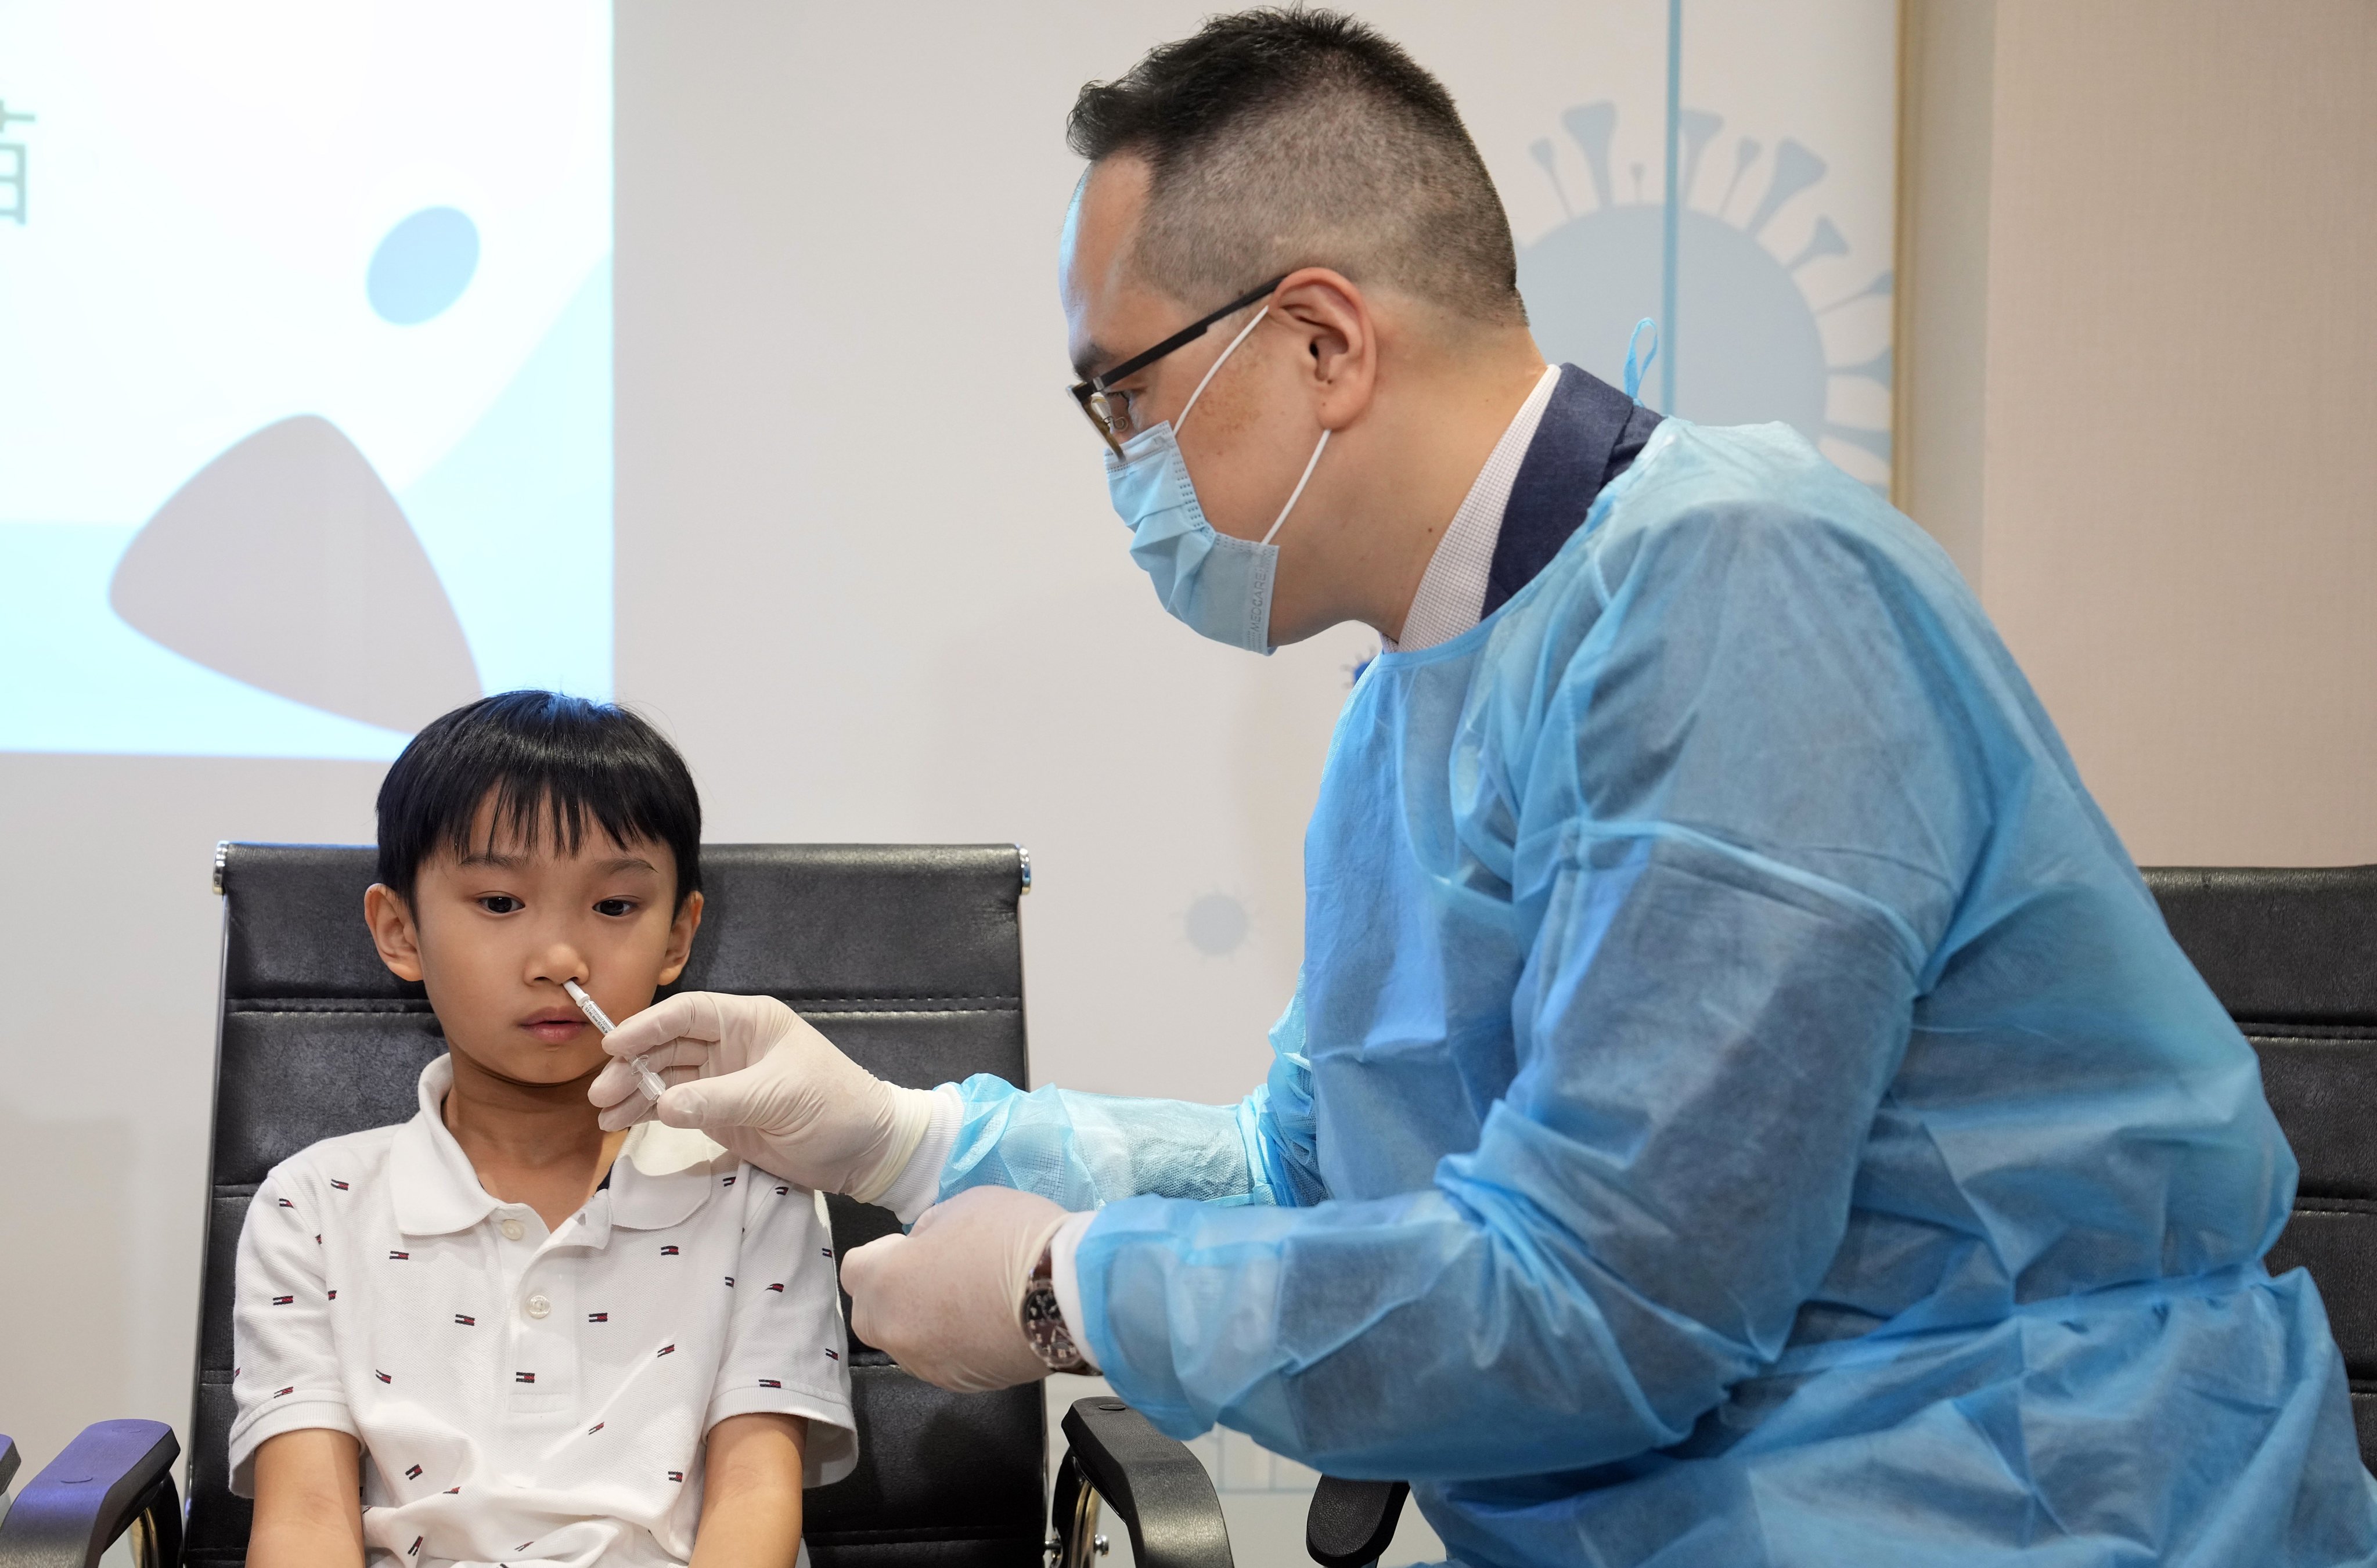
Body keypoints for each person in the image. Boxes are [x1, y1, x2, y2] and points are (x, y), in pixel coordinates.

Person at [593, 12, 2377, 1565]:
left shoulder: (1740, 593)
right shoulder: (1418, 701)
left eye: (1121, 395)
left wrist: (1067, 1288)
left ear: (1319, 342)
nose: (1120, 464)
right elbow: (1316, 1165)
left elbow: (1611, 1298)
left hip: (1998, 1511)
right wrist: (901, 1136)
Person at [231, 692, 855, 1568]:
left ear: (678, 936)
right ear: (399, 930)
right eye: (497, 901)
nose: (559, 958)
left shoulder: (753, 1186)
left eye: (612, 907)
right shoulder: (314, 1205)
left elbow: (757, 1497)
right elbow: (302, 1519)